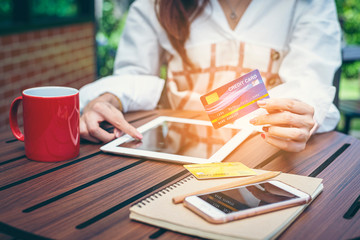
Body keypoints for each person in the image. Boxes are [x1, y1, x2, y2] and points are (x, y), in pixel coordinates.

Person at [79, 0, 341, 152]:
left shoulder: (310, 4)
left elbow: (310, 83)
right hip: (176, 160)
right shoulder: (152, 6)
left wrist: (303, 112)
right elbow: (132, 81)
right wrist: (109, 98)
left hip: (273, 158)